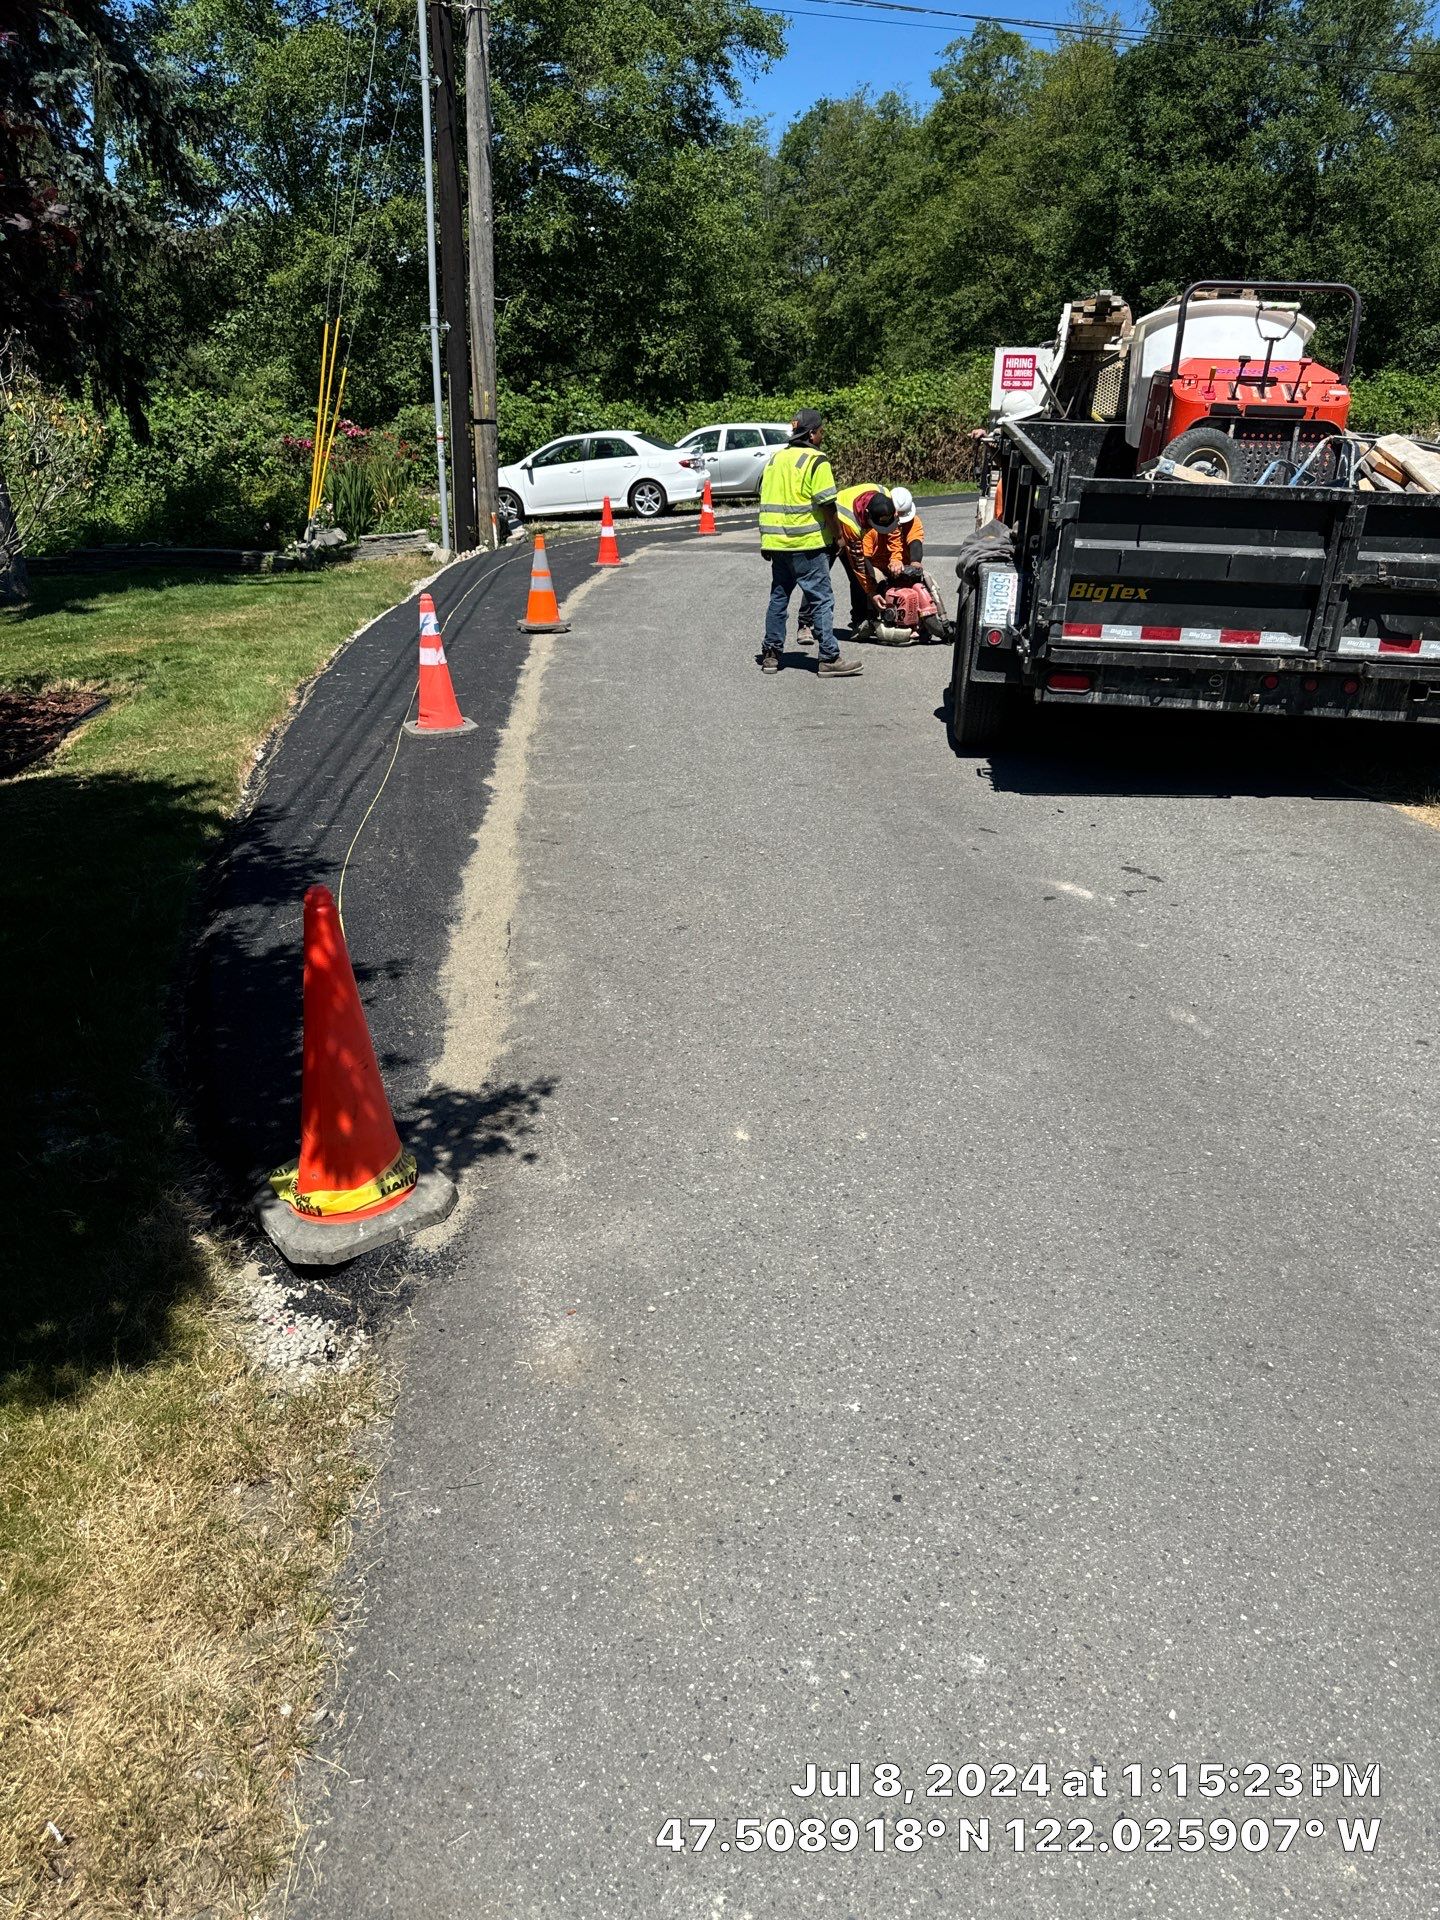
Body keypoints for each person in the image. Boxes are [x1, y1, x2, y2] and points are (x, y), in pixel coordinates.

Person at [757, 410, 863, 677]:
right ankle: (829, 657)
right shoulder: (816, 461)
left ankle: (771, 654)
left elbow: (766, 499)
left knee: (778, 598)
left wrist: (767, 540)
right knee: (822, 599)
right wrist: (838, 536)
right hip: (808, 543)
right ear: (812, 433)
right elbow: (827, 503)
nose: (822, 436)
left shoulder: (775, 460)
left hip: (776, 543)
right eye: (821, 431)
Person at [834, 484, 899, 634]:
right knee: (821, 576)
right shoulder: (850, 521)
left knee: (860, 579)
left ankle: (861, 619)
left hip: (856, 527)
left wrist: (896, 559)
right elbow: (858, 564)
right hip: (833, 528)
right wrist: (871, 593)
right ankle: (805, 622)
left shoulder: (886, 498)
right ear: (868, 514)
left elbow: (894, 533)